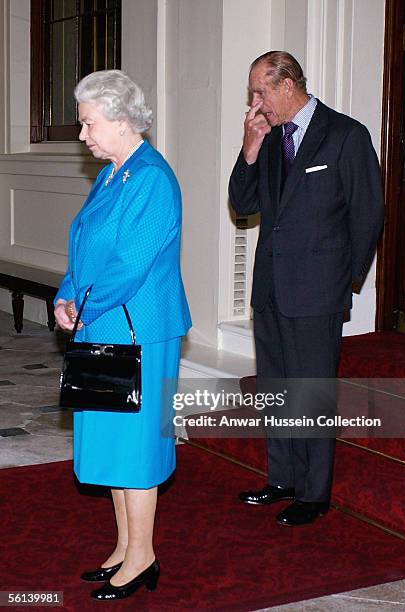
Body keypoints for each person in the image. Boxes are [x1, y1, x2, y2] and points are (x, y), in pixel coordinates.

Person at [229, 51, 384, 526]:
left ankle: (315, 493)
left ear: (288, 84)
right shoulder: (271, 139)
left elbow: (368, 213)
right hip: (271, 289)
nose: (255, 102)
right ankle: (283, 479)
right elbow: (243, 203)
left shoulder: (345, 135)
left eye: (261, 92)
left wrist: (345, 281)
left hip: (317, 292)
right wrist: (250, 148)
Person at [54, 69, 191, 600]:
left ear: (121, 119)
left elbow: (130, 264)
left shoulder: (153, 179)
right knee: (113, 442)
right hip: (102, 322)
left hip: (140, 330)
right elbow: (86, 247)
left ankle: (144, 556)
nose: (83, 134)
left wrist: (82, 307)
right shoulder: (114, 174)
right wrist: (66, 296)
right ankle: (124, 546)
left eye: (88, 124)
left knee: (136, 447)